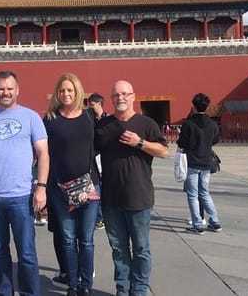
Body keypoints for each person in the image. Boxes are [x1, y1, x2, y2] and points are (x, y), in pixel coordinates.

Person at [0, 70, 49, 296]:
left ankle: (29, 293)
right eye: (1, 88)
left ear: (17, 90)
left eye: (9, 88)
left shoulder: (31, 117)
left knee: (27, 253)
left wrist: (41, 188)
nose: (5, 92)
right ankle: (4, 293)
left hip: (22, 196)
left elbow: (43, 154)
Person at [94, 80, 169, 296]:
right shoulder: (103, 126)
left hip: (139, 197)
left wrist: (140, 143)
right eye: (116, 95)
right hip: (111, 199)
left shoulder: (146, 124)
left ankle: (140, 289)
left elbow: (163, 151)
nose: (121, 98)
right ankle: (123, 289)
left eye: (125, 94)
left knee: (141, 249)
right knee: (118, 250)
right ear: (111, 98)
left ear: (133, 96)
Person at [44, 73, 100, 296]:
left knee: (86, 239)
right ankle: (73, 284)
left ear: (78, 92)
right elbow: (42, 152)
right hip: (59, 188)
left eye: (70, 90)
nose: (66, 94)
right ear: (57, 93)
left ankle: (86, 285)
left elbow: (101, 144)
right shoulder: (49, 118)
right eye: (62, 90)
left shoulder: (89, 116)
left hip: (89, 185)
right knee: (67, 238)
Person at [177, 94, 222, 234]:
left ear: (193, 106)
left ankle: (198, 224)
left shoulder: (188, 124)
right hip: (206, 162)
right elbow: (215, 140)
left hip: (192, 162)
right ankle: (214, 222)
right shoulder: (213, 124)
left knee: (192, 194)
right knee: (205, 193)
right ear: (207, 107)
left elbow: (181, 142)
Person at [87, 93, 107, 230]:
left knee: (103, 187)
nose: (90, 107)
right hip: (93, 157)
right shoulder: (88, 118)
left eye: (92, 105)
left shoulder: (108, 120)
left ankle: (101, 217)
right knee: (95, 187)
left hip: (104, 157)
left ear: (99, 104)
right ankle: (98, 216)